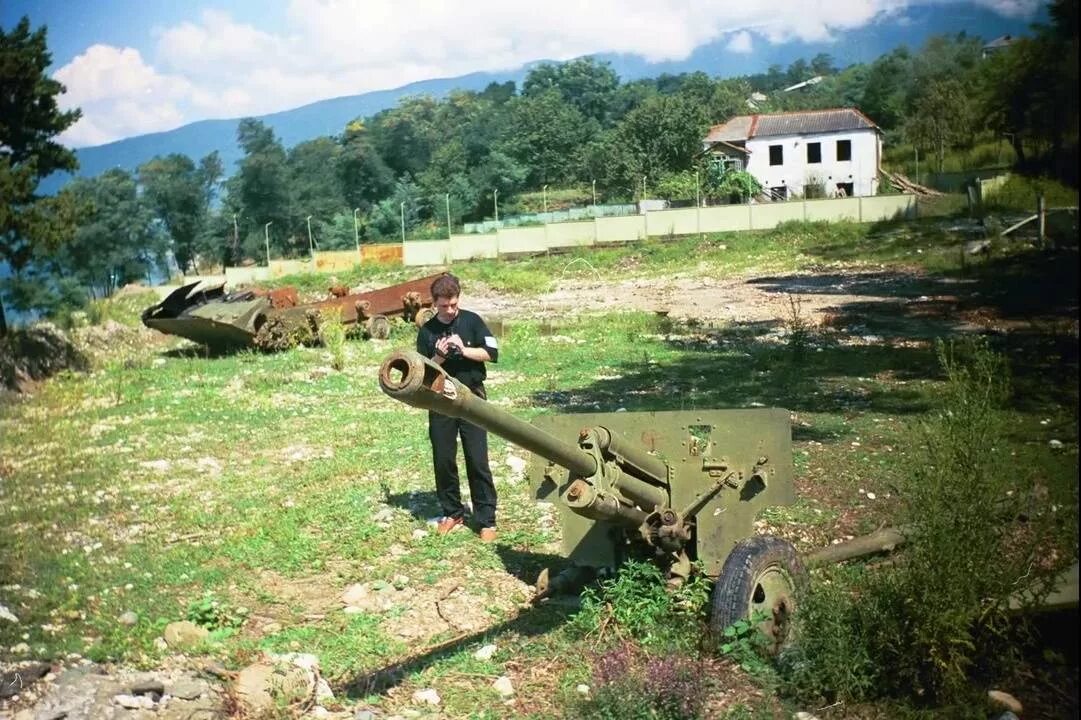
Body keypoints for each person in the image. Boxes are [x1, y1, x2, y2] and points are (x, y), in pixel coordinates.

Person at [416, 273, 500, 542]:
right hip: (440, 402)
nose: (450, 310)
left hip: (472, 400)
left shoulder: (472, 320)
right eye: (444, 306)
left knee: (477, 459)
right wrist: (439, 355)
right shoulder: (427, 331)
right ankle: (453, 512)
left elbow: (492, 353)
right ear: (434, 303)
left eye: (454, 304)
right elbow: (422, 374)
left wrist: (463, 349)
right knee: (443, 459)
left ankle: (486, 519)